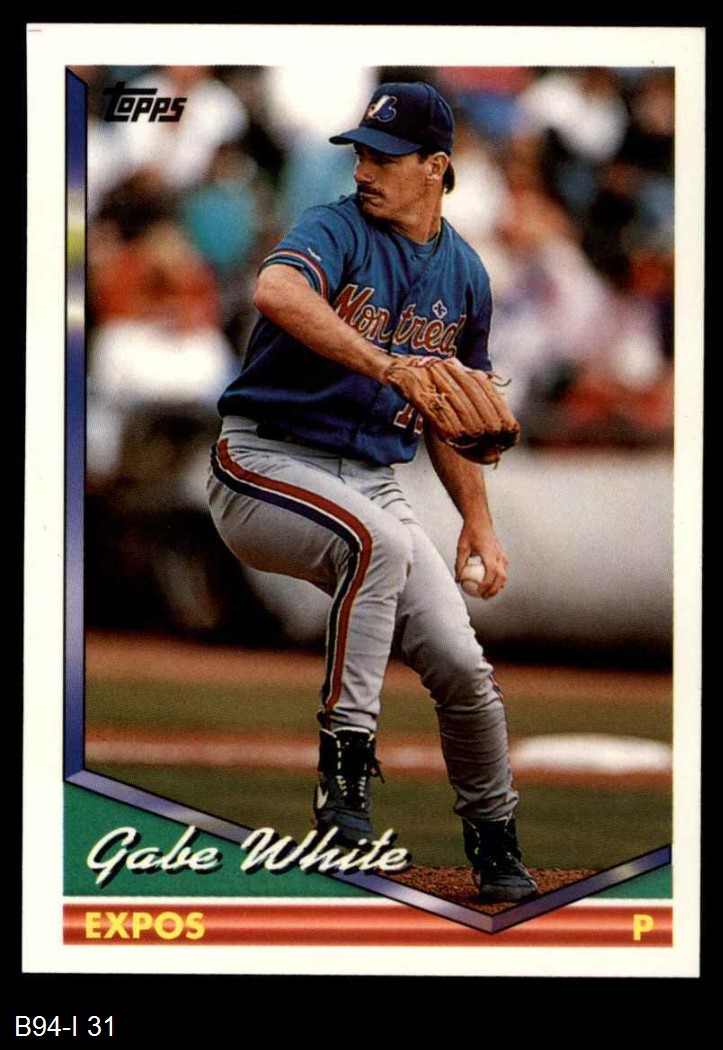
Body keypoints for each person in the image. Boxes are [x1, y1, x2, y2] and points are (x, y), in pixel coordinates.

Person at [207, 81, 537, 902]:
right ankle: (344, 782)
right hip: (264, 462)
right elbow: (277, 291)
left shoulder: (466, 274)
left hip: (370, 481)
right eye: (361, 153)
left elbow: (452, 412)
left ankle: (496, 842)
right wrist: (388, 365)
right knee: (377, 542)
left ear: (436, 166)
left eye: (385, 158)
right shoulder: (335, 227)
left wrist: (479, 522)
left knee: (463, 665)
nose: (364, 170)